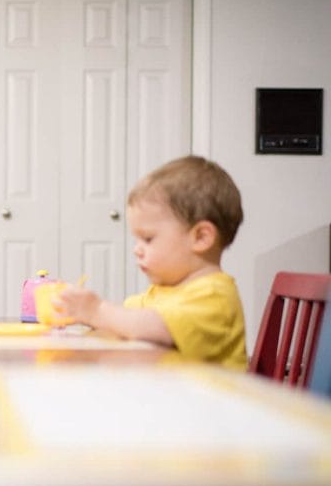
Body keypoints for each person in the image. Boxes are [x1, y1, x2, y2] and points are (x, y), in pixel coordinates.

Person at [58, 155, 247, 369]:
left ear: (201, 237)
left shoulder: (214, 296)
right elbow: (127, 319)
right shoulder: (165, 291)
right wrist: (82, 312)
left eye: (148, 239)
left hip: (213, 400)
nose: (137, 249)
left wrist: (96, 311)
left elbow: (154, 326)